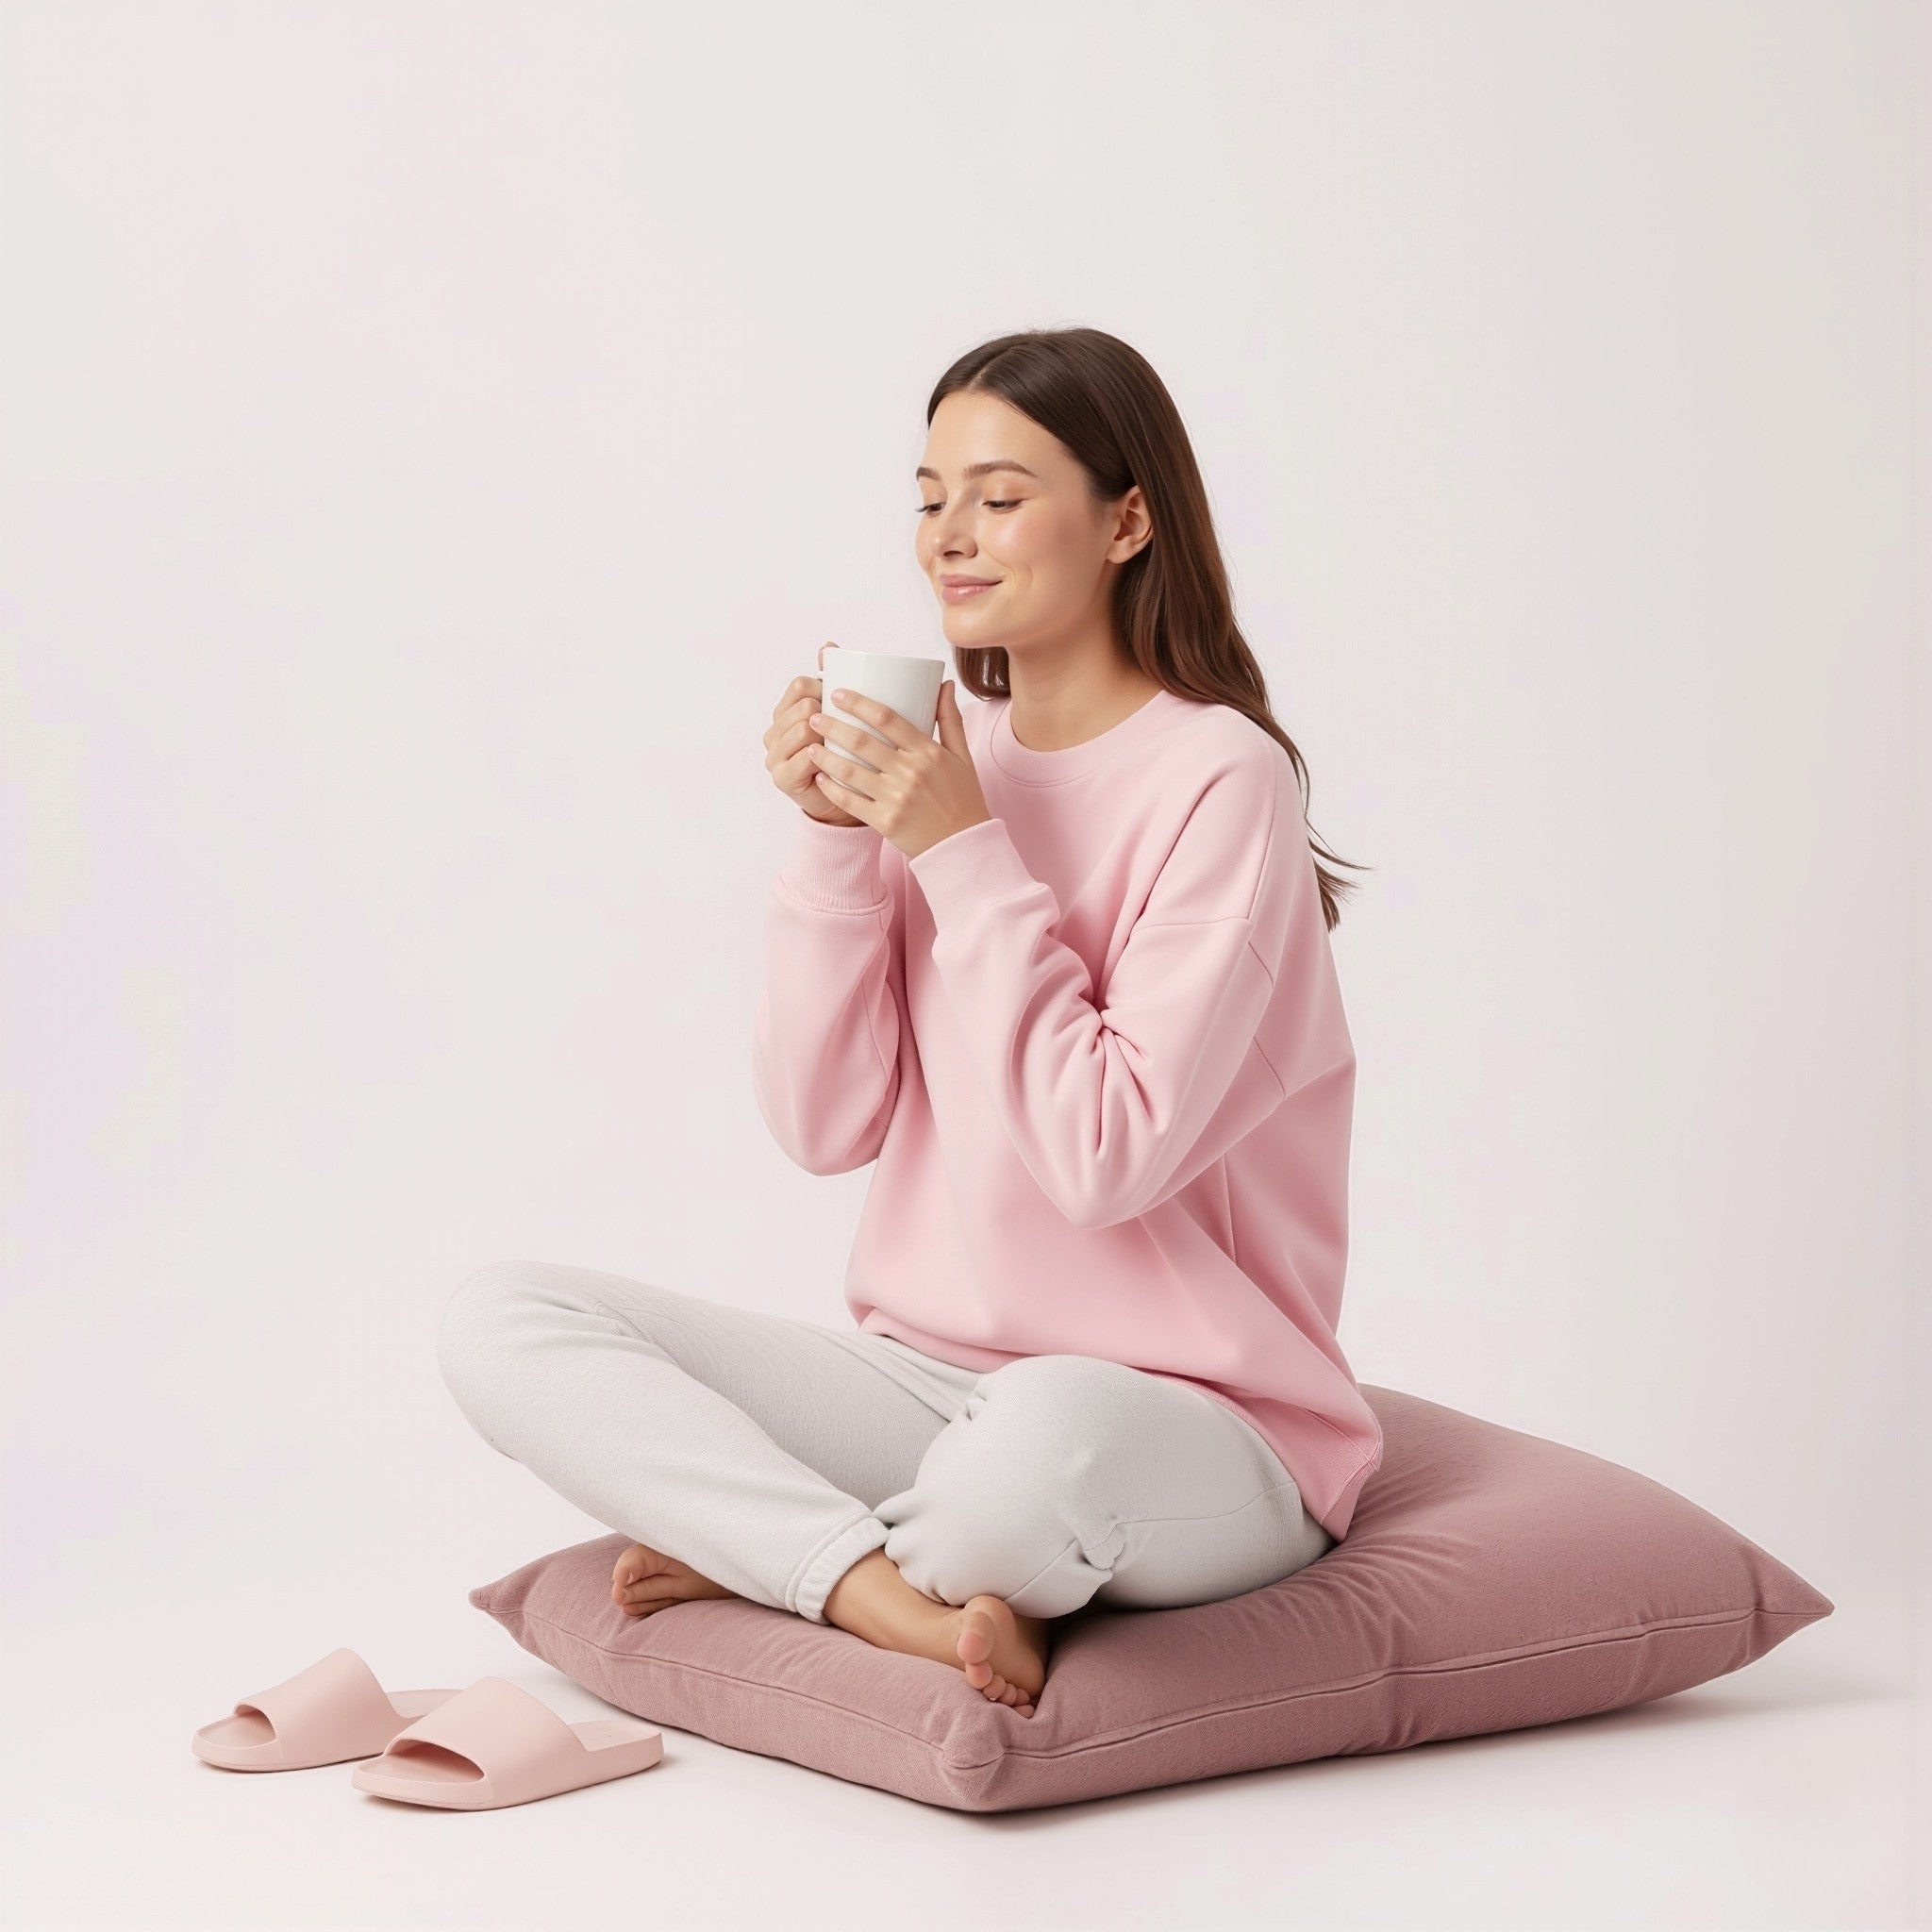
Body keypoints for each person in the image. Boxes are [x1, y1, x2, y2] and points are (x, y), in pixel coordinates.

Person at [437, 326, 1381, 1721]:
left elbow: (1103, 1160)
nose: (951, 536)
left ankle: (776, 1548)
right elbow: (824, 1126)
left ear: (1128, 519)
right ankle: (879, 1591)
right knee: (502, 1318)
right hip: (926, 1382)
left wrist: (960, 850)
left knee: (1029, 1467)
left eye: (999, 497)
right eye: (931, 496)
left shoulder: (1217, 779)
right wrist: (836, 841)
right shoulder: (949, 763)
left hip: (1192, 1423)